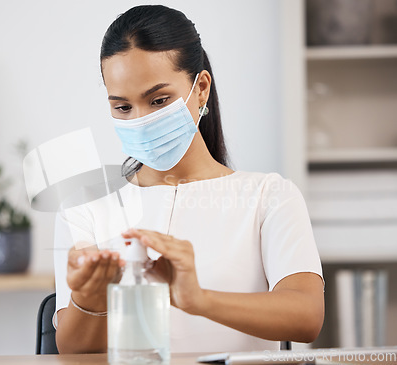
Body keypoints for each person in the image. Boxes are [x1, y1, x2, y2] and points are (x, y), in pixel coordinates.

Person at [53, 5, 324, 354]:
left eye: (159, 100)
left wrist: (198, 299)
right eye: (123, 107)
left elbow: (306, 317)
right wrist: (89, 300)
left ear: (200, 90)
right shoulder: (84, 208)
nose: (141, 119)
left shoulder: (269, 196)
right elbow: (72, 352)